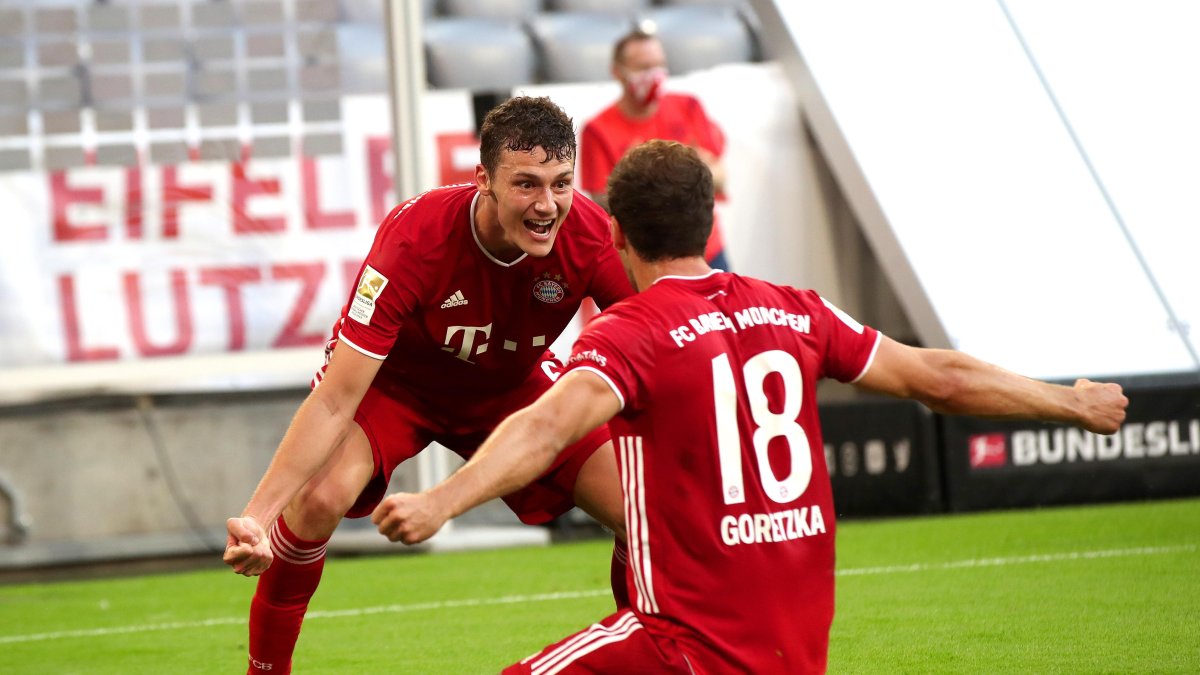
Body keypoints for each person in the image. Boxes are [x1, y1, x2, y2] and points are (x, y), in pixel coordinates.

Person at [371, 140, 1130, 673]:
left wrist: (443, 500)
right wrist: (1069, 401)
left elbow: (546, 425)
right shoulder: (796, 311)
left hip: (690, 644)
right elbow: (941, 376)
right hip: (796, 651)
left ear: (619, 235)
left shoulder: (635, 331)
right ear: (709, 224)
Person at [222, 96, 635, 674]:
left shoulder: (589, 233)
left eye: (561, 183)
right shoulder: (414, 239)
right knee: (317, 501)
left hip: (512, 389)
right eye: (526, 185)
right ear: (482, 180)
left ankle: (654, 656)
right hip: (400, 390)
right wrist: (257, 518)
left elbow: (662, 333)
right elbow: (338, 397)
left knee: (639, 512)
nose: (547, 206)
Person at [580, 27, 732, 271]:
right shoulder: (597, 130)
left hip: (706, 250)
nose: (654, 74)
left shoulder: (688, 107)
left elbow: (721, 177)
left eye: (659, 64)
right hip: (645, 258)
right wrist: (688, 171)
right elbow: (601, 204)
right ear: (618, 72)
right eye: (643, 67)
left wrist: (641, 179)